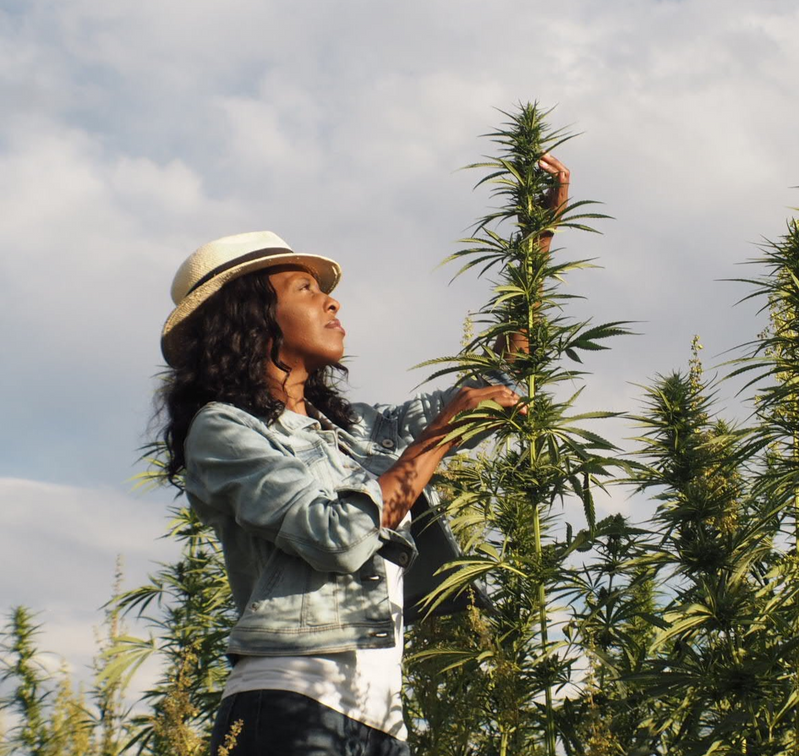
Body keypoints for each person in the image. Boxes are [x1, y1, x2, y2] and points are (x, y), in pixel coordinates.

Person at [156, 156, 571, 755]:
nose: (333, 304)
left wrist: (536, 244)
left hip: (381, 725)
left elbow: (498, 380)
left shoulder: (353, 431)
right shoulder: (223, 430)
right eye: (306, 290)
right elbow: (337, 536)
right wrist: (437, 438)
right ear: (251, 317)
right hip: (289, 708)